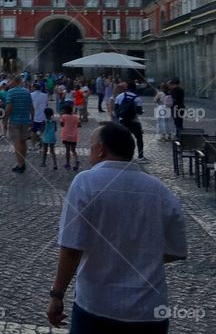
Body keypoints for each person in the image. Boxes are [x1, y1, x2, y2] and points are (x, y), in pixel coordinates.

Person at [47, 122, 187, 332]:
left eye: (91, 146)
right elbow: (177, 251)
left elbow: (71, 247)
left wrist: (57, 295)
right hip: (148, 309)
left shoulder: (86, 183)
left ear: (100, 150)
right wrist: (140, 256)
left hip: (97, 305)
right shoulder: (161, 191)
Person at [5, 76, 33, 173]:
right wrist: (32, 119)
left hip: (15, 121)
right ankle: (22, 162)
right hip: (25, 120)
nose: (9, 83)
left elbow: (9, 107)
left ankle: (20, 165)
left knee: (17, 143)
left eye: (10, 81)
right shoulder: (27, 92)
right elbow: (31, 106)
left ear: (14, 81)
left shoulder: (11, 92)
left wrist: (5, 120)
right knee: (23, 142)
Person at [114, 83, 145, 159]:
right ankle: (140, 156)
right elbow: (139, 112)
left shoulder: (120, 96)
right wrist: (142, 111)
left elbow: (116, 109)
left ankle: (120, 154)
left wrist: (119, 117)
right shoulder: (137, 98)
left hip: (122, 120)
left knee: (122, 138)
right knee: (139, 138)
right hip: (134, 121)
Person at [60, 102, 81, 171]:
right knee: (73, 150)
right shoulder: (76, 117)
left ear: (65, 110)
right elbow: (79, 125)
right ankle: (76, 161)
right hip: (74, 135)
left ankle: (68, 164)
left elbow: (62, 124)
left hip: (66, 135)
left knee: (67, 150)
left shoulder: (63, 116)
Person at [30, 82, 48, 151]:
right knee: (42, 132)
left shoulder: (31, 95)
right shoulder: (45, 95)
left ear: (34, 88)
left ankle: (33, 146)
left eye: (32, 87)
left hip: (34, 116)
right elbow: (46, 105)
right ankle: (42, 147)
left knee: (33, 132)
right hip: (43, 116)